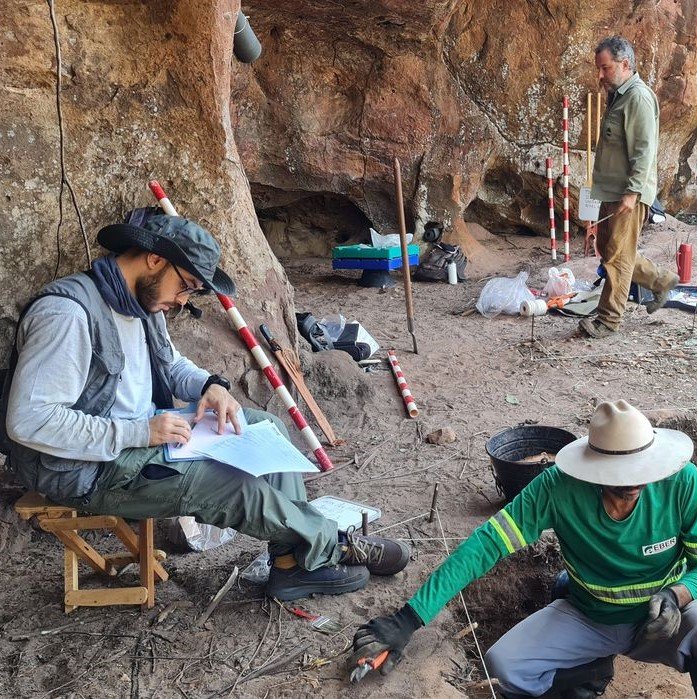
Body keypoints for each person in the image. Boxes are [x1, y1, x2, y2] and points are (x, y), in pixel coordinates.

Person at [1, 213, 410, 600]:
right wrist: (139, 433)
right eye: (186, 286)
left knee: (264, 426)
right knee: (232, 486)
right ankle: (331, 545)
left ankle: (291, 563)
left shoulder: (141, 303)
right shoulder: (68, 315)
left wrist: (210, 386)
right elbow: (30, 420)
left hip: (146, 439)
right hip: (90, 471)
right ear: (155, 259)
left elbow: (170, 363)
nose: (182, 300)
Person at [350, 400, 697, 698]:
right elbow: (485, 545)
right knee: (505, 668)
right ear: (595, 467)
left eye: (644, 469)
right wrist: (409, 617)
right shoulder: (557, 488)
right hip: (589, 618)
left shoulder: (681, 482)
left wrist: (676, 595)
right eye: (623, 472)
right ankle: (587, 671)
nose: (637, 481)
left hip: (664, 620)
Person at [580, 36, 679, 340]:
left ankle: (608, 320)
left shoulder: (637, 97)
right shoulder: (619, 94)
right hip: (612, 190)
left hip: (627, 192)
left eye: (605, 68)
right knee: (610, 250)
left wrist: (633, 191)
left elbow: (645, 150)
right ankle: (661, 280)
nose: (600, 75)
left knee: (617, 258)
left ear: (624, 64)